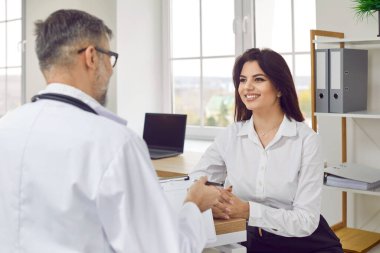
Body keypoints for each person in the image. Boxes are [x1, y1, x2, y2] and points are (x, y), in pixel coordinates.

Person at [0, 9, 221, 253]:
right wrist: (193, 205)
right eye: (110, 57)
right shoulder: (114, 143)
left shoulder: (6, 128)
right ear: (91, 57)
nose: (112, 69)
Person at [190, 48, 343, 253]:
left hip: (304, 243)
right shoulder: (231, 136)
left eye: (258, 79)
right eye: (242, 80)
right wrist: (214, 198)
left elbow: (305, 220)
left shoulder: (307, 141)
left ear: (279, 88)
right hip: (248, 238)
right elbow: (196, 180)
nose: (247, 87)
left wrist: (247, 210)